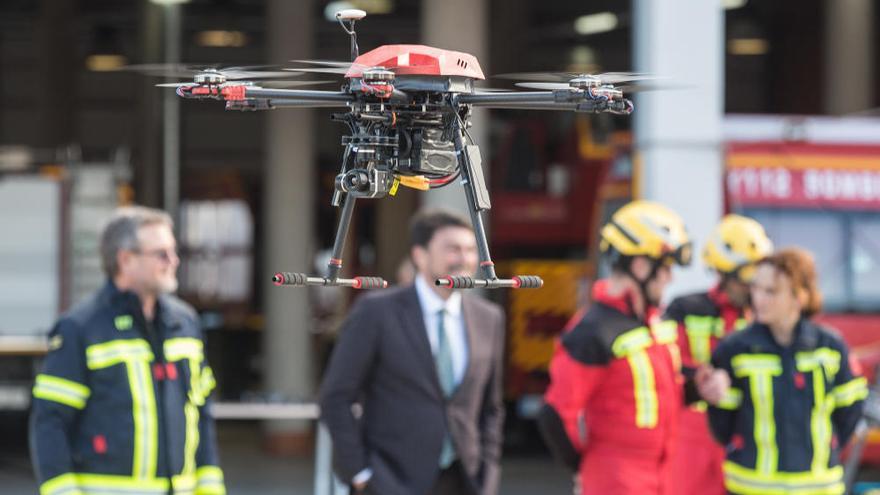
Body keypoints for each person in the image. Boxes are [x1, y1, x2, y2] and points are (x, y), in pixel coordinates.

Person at [30, 206, 225, 495]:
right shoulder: (80, 328)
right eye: (161, 253)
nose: (174, 261)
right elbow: (49, 423)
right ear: (125, 259)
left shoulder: (184, 323)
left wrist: (210, 488)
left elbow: (201, 413)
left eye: (174, 251)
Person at [319, 208, 505, 495]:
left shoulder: (489, 318)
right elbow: (336, 396)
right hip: (390, 481)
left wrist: (488, 475)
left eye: (470, 249)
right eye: (453, 249)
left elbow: (491, 408)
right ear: (420, 255)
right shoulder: (376, 312)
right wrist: (359, 473)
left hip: (465, 481)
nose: (465, 259)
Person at [538, 200, 693, 495]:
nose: (670, 278)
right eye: (666, 268)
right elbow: (554, 415)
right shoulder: (592, 331)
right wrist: (583, 466)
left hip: (663, 474)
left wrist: (698, 387)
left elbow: (660, 390)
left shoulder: (652, 322)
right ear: (640, 265)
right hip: (616, 479)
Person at [699, 248, 868, 495]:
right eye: (756, 288)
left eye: (771, 291)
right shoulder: (734, 348)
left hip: (818, 488)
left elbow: (850, 411)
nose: (759, 299)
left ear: (799, 296)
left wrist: (825, 449)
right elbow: (722, 426)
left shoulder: (830, 347)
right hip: (751, 488)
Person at [664, 214, 773, 495]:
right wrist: (703, 378)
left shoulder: (767, 320)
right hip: (692, 439)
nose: (751, 289)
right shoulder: (684, 309)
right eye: (744, 279)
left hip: (748, 434)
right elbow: (665, 365)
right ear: (723, 274)